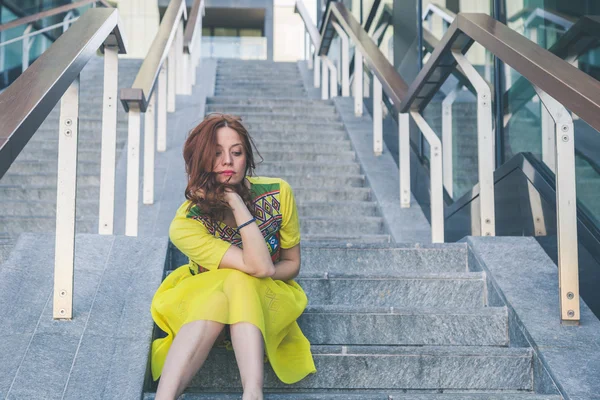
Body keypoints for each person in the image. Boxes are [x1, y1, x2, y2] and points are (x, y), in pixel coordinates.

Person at [150, 113, 316, 400]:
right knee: (229, 283)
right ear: (200, 161)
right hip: (202, 301)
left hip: (268, 295)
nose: (228, 161)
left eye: (236, 152)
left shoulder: (278, 193)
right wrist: (254, 267)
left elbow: (290, 264)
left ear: (246, 158)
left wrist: (238, 203)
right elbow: (256, 265)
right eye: (216, 154)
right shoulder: (187, 221)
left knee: (240, 280)